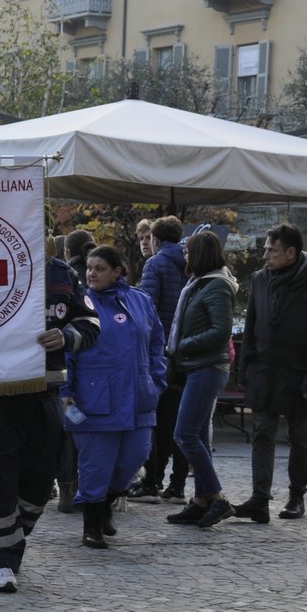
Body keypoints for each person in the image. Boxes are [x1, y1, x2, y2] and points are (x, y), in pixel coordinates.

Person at [0, 242, 100, 592]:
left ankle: (9, 538)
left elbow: (89, 321)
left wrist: (67, 335)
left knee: (41, 479)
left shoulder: (62, 272)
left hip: (43, 392)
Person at [62, 246, 166, 548]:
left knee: (135, 457)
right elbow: (67, 349)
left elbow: (157, 343)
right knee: (96, 464)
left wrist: (156, 379)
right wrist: (66, 392)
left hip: (139, 398)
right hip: (93, 400)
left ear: (118, 270)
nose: (91, 273)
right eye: (89, 268)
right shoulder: (79, 303)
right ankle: (91, 523)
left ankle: (106, 503)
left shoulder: (141, 301)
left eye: (99, 268)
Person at [233, 223, 307, 524]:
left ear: (291, 253)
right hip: (264, 372)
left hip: (299, 375)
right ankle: (259, 498)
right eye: (265, 249)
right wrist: (245, 370)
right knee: (261, 432)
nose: (265, 255)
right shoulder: (260, 280)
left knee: (299, 436)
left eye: (271, 250)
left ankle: (296, 496)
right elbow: (250, 328)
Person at [164, 229, 240, 529]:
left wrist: (182, 345)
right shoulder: (200, 285)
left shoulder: (217, 287)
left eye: (188, 252)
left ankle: (218, 499)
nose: (185, 257)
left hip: (208, 367)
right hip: (197, 367)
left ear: (200, 255)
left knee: (184, 434)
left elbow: (221, 332)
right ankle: (200, 501)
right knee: (195, 436)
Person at [135, 215, 188, 502]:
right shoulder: (191, 263)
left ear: (156, 239)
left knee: (153, 420)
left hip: (159, 354)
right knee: (179, 420)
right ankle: (177, 485)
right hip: (185, 353)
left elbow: (147, 309)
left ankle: (152, 481)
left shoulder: (154, 264)